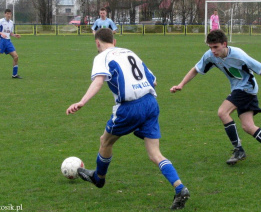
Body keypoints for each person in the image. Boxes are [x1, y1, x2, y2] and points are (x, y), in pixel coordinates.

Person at [66, 28, 190, 209]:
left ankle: (98, 178)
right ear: (114, 41)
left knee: (105, 141)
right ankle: (180, 188)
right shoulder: (129, 52)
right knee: (155, 154)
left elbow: (99, 81)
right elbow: (153, 80)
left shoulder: (102, 57)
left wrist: (82, 101)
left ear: (97, 43)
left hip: (129, 108)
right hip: (151, 103)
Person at [170, 29, 261, 166]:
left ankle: (239, 150)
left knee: (222, 112)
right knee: (248, 126)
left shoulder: (239, 55)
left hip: (246, 89)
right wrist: (181, 84)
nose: (213, 51)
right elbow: (196, 69)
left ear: (224, 44)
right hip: (240, 90)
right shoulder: (210, 56)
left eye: (216, 47)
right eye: (210, 47)